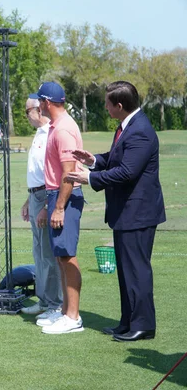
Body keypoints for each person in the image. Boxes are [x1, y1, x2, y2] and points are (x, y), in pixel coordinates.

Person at [65, 81, 165, 342]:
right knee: (126, 271)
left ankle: (143, 325)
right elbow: (117, 158)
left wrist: (91, 178)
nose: (106, 108)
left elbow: (128, 171)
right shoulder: (128, 126)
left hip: (138, 213)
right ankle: (128, 322)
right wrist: (94, 160)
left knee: (137, 271)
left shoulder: (140, 130)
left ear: (119, 106)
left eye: (108, 104)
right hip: (126, 213)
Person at [31, 82, 85, 334]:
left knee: (67, 255)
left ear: (47, 103)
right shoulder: (56, 126)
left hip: (66, 196)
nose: (38, 105)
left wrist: (59, 207)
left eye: (40, 101)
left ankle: (73, 317)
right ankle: (65, 311)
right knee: (61, 256)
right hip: (57, 195)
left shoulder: (63, 129)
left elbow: (69, 172)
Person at [20, 95, 63, 319]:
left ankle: (55, 303)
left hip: (46, 197)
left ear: (39, 110)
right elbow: (37, 172)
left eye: (27, 111)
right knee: (39, 252)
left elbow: (54, 174)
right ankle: (44, 300)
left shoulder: (52, 133)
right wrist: (29, 200)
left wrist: (47, 204)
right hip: (35, 196)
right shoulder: (39, 134)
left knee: (48, 253)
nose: (26, 116)